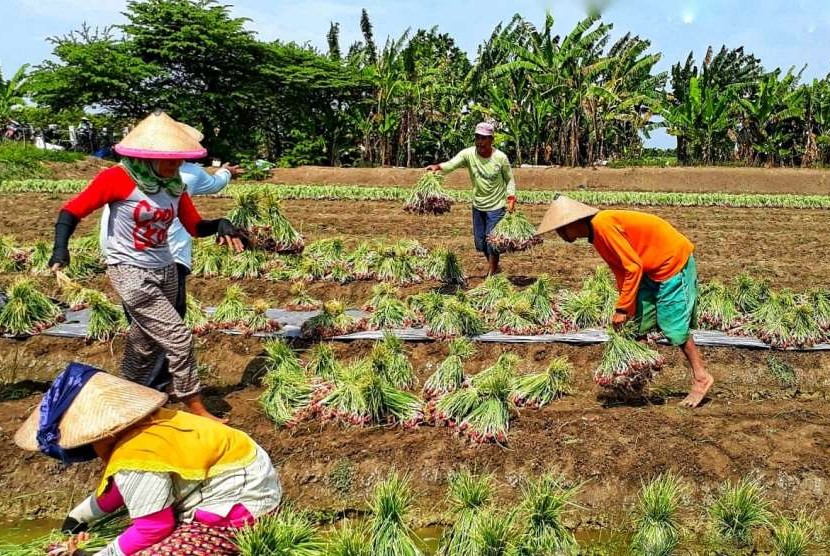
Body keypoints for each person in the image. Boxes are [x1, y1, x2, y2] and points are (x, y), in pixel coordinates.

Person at [47, 110, 246, 422]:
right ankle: (192, 403)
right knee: (178, 336)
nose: (176, 166)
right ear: (148, 156)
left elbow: (194, 226)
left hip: (165, 268)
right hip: (130, 271)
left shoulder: (173, 184)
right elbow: (71, 211)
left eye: (180, 160)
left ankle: (125, 396)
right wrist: (61, 250)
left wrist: (221, 223)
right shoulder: (117, 179)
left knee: (144, 342)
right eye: (170, 160)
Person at [14, 362, 281, 556]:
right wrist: (78, 518)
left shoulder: (137, 454)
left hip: (236, 516)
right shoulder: (150, 423)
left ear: (100, 433)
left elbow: (154, 527)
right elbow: (119, 489)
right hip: (258, 492)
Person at [98, 124, 241, 391]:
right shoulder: (189, 174)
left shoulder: (132, 176)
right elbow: (215, 184)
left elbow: (195, 224)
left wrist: (219, 222)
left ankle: (136, 387)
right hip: (163, 258)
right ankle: (164, 388)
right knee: (171, 329)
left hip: (130, 256)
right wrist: (226, 172)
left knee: (145, 330)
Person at [536, 195, 714, 408]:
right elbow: (621, 270)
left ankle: (701, 377)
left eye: (560, 228)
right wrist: (626, 307)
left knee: (673, 325)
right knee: (638, 323)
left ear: (573, 223)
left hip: (671, 263)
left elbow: (632, 267)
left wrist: (621, 309)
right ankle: (638, 377)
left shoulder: (602, 225)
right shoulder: (596, 235)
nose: (560, 234)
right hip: (648, 268)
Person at [426, 122, 516, 276]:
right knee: (480, 242)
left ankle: (492, 271)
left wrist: (511, 199)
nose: (480, 142)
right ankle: (494, 266)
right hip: (478, 204)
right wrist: (438, 167)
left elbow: (510, 179)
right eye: (477, 138)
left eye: (484, 138)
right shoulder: (468, 154)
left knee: (492, 241)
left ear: (491, 140)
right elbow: (452, 164)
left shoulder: (500, 158)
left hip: (496, 206)